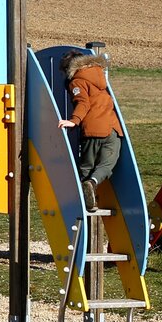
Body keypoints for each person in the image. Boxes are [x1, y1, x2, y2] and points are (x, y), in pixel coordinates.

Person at [58, 53, 123, 210]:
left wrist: (74, 121)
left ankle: (81, 200)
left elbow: (82, 103)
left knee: (86, 167)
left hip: (93, 129)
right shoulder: (100, 78)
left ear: (69, 68)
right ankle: (93, 183)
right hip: (112, 129)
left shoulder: (77, 81)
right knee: (107, 164)